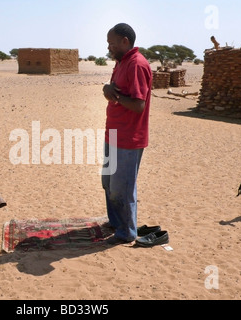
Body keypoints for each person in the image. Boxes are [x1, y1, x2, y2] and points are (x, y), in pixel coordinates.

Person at [102, 23, 153, 245]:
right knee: (108, 184)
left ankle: (127, 232)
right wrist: (107, 89)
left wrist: (114, 97)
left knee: (122, 188)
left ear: (125, 41)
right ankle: (116, 222)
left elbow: (138, 105)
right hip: (112, 135)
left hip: (128, 139)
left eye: (112, 43)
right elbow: (115, 91)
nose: (109, 47)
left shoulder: (136, 64)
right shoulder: (121, 63)